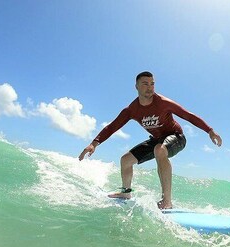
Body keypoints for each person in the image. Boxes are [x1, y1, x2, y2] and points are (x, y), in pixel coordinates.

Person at [78, 71, 222, 209]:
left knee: (159, 150)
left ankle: (167, 201)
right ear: (136, 86)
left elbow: (188, 115)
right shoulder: (131, 110)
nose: (150, 87)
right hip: (157, 140)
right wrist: (94, 143)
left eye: (152, 83)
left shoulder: (163, 102)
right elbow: (112, 127)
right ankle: (126, 193)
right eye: (145, 84)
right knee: (126, 160)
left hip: (177, 137)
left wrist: (210, 131)